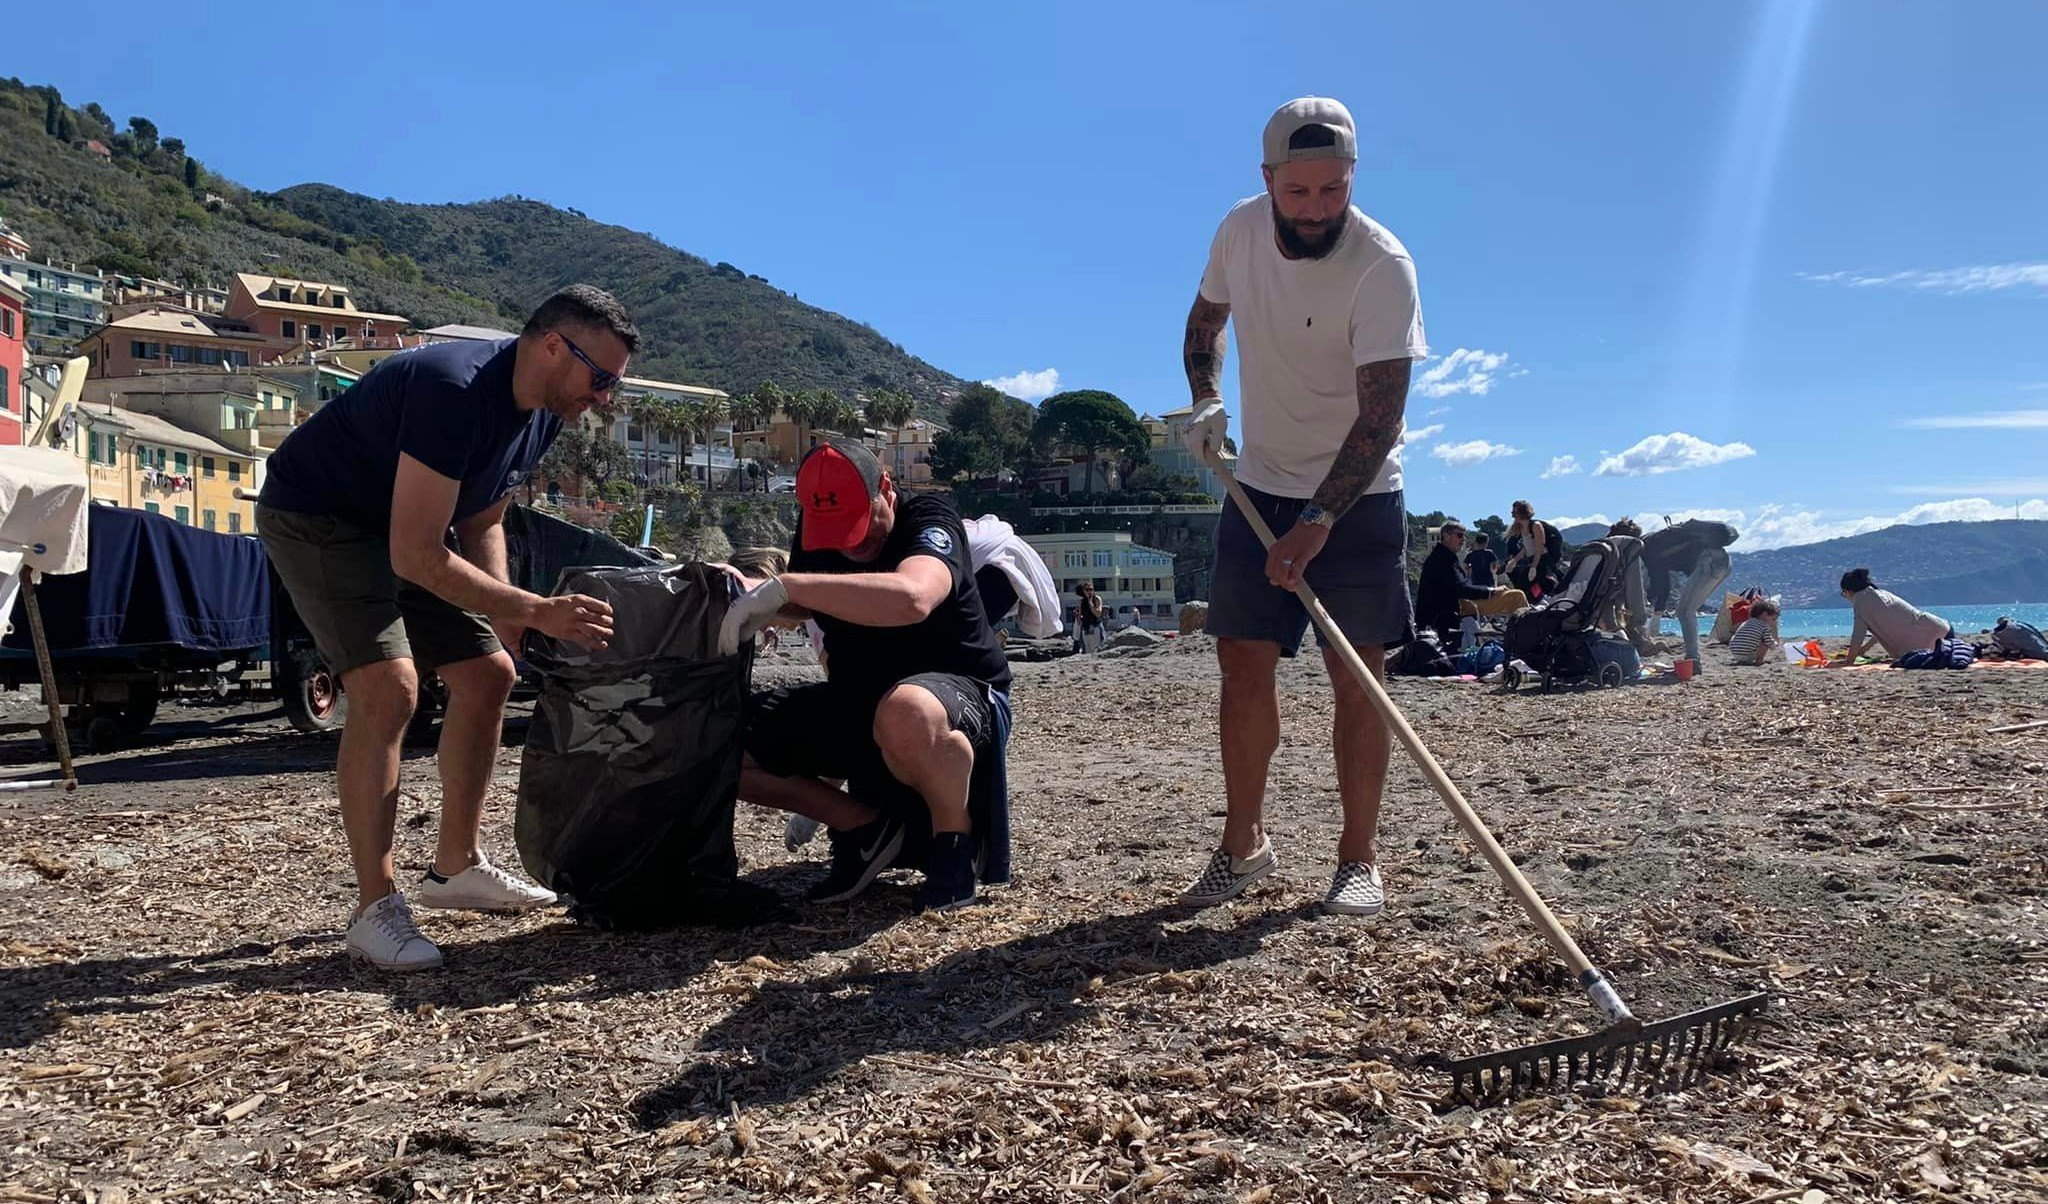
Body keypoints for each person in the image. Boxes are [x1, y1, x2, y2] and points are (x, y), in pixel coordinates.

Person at [255, 285, 634, 970]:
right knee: (389, 690)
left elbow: (481, 520)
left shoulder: (544, 411)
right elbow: (416, 555)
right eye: (599, 377)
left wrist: (508, 618)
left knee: (491, 675)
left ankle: (455, 868)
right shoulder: (453, 390)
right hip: (320, 517)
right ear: (553, 346)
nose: (603, 396)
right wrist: (535, 609)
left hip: (402, 529)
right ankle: (375, 908)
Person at [1177, 96, 1428, 917]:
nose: (1318, 209)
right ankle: (1243, 844)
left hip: (1359, 496)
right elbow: (1205, 320)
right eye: (1300, 192)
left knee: (1357, 676)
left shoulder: (1382, 265)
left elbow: (1381, 415)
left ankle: (1358, 859)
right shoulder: (1238, 231)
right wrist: (1207, 398)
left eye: (1334, 189)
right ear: (1268, 181)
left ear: (1352, 177)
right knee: (1242, 665)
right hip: (1260, 482)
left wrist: (1318, 523)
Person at [720, 438, 1011, 912]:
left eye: (859, 525)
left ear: (887, 491)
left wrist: (789, 586)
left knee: (906, 709)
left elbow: (913, 597)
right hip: (859, 699)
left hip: (958, 696)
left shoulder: (930, 520)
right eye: (835, 532)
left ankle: (953, 845)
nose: (851, 544)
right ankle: (867, 829)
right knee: (718, 740)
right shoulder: (816, 534)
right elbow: (810, 598)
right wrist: (747, 592)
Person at [1640, 517, 1739, 667]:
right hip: (1723, 562)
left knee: (1685, 611)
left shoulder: (1648, 551)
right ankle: (1693, 658)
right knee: (1687, 610)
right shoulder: (1660, 540)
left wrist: (1656, 614)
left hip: (1709, 561)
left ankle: (1693, 660)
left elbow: (1661, 583)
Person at [1414, 522, 1523, 650]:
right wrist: (1492, 590)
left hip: (1456, 607)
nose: (1463, 539)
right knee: (1516, 596)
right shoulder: (1442, 559)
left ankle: (1519, 639)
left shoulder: (1442, 556)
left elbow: (1461, 585)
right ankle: (1524, 642)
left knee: (1513, 595)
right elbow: (1461, 589)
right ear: (1446, 536)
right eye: (1460, 535)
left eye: (1464, 536)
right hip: (1458, 608)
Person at [1833, 567, 1952, 664]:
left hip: (1926, 645)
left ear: (1849, 591)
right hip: (1942, 629)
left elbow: (1858, 635)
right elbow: (1883, 629)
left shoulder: (1860, 600)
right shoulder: (1880, 593)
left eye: (1844, 593)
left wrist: (1849, 661)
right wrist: (1864, 649)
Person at [1503, 501, 1562, 599]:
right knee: (1522, 585)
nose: (1512, 515)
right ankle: (1536, 602)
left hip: (1542, 559)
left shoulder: (1536, 525)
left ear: (1522, 512)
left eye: (1514, 513)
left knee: (1537, 584)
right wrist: (1514, 561)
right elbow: (1526, 548)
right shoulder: (1522, 528)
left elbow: (1540, 547)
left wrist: (1534, 566)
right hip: (1532, 560)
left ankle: (1545, 599)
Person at [1728, 596, 1781, 665]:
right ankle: (1759, 661)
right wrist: (1776, 645)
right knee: (1764, 642)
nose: (1773, 622)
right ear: (1764, 615)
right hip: (1747, 655)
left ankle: (1742, 659)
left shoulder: (1746, 622)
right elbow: (1769, 641)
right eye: (1773, 619)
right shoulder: (1764, 626)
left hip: (1734, 652)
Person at [1073, 583, 1107, 653]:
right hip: (1086, 628)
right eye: (1087, 590)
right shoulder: (1081, 602)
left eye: (1091, 589)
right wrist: (1077, 615)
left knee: (1096, 649)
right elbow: (1079, 620)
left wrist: (1090, 603)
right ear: (1083, 591)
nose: (1089, 592)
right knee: (1087, 649)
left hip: (1095, 626)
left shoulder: (1097, 599)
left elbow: (1098, 614)